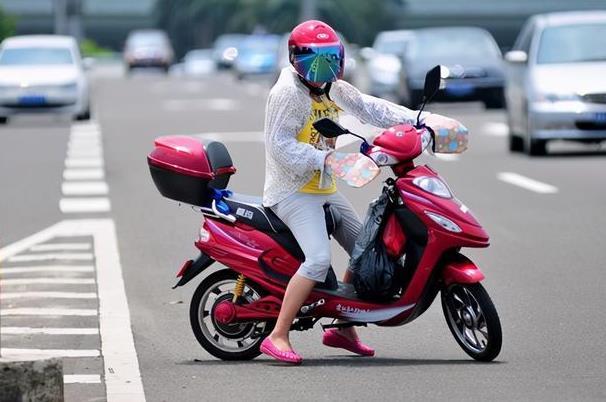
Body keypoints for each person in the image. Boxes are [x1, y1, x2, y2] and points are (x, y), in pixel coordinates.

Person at [260, 20, 464, 364]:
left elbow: (372, 108)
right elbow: (278, 146)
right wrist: (326, 159)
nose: (323, 69)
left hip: (322, 187)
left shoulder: (332, 87)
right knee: (318, 260)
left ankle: (342, 327)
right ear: (296, 60)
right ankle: (278, 334)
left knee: (366, 250)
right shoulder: (287, 94)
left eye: (330, 60)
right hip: (291, 191)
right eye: (314, 61)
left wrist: (421, 119)